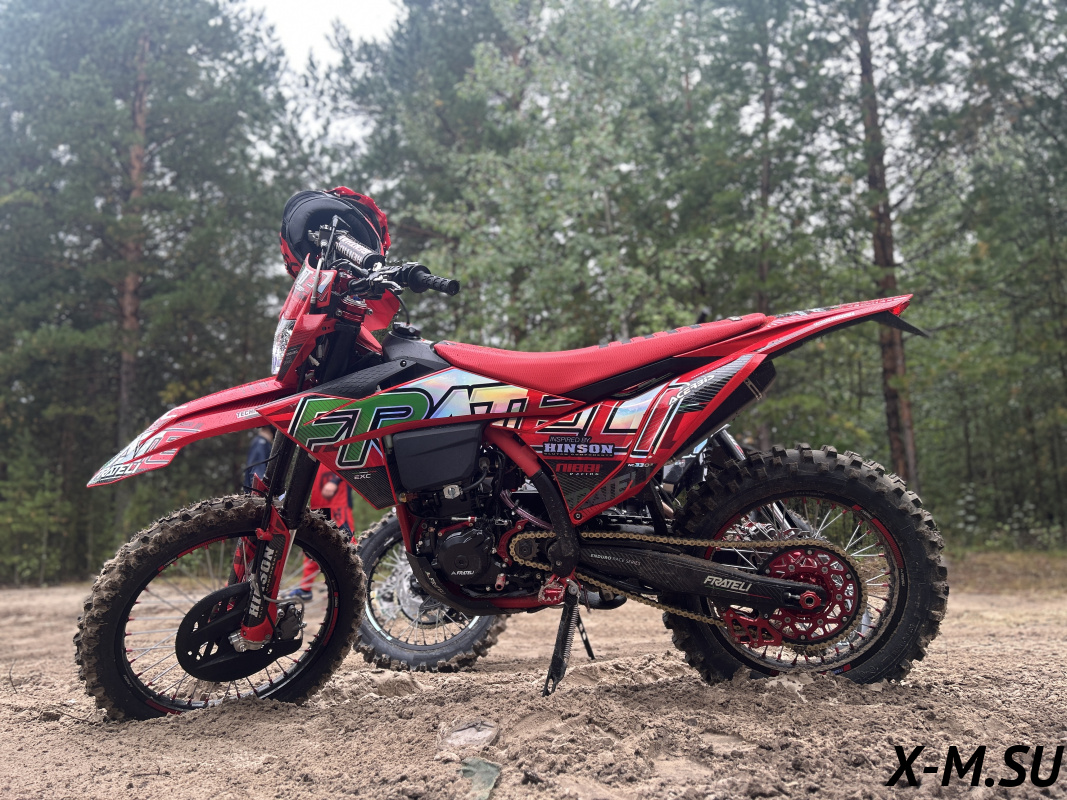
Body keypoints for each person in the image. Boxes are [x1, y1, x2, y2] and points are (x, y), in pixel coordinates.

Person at [286, 465, 355, 601]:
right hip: (318, 498)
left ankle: (354, 586)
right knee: (314, 541)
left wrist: (334, 481)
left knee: (347, 541)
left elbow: (349, 461)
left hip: (338, 498)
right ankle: (306, 588)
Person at [243, 426, 274, 491]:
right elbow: (257, 476)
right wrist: (259, 489)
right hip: (257, 493)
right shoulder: (261, 443)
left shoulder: (261, 443)